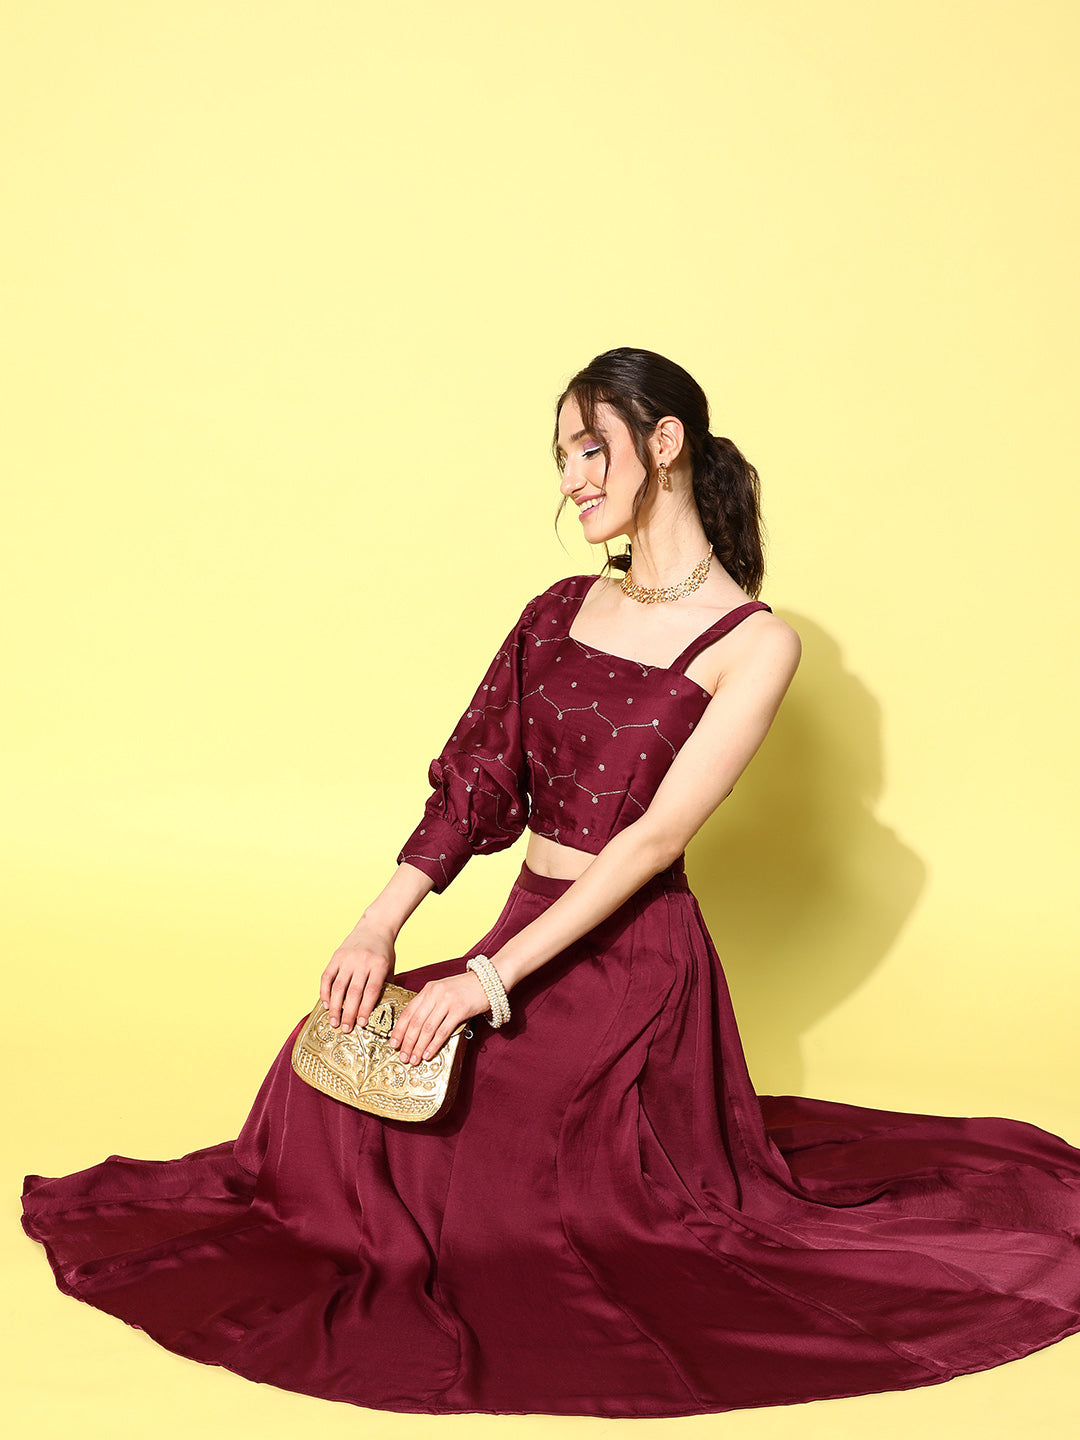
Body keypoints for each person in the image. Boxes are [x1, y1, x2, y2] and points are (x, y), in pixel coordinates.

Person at [21, 347, 1080, 1418]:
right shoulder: (560, 607)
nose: (571, 480)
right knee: (325, 1072)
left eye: (589, 450)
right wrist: (378, 925)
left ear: (664, 444)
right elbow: (475, 785)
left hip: (632, 963)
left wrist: (483, 982)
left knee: (502, 1180)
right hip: (524, 923)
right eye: (562, 458)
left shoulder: (756, 644)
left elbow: (652, 843)